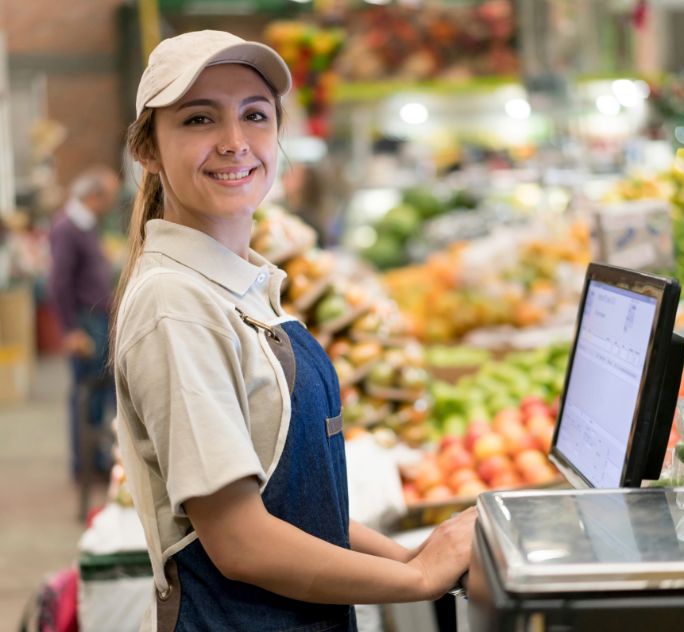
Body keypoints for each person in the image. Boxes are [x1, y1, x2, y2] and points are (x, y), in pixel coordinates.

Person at [112, 30, 475, 632]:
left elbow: (292, 511)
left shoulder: (240, 285)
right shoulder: (176, 304)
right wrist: (416, 580)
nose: (235, 143)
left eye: (255, 116)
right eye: (199, 119)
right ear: (148, 149)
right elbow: (242, 542)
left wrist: (413, 554)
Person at [49, 165, 121, 479]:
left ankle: (96, 459)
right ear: (94, 197)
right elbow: (59, 282)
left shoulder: (84, 225)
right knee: (87, 393)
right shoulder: (68, 228)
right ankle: (87, 465)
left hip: (95, 317)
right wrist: (70, 329)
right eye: (108, 199)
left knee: (98, 392)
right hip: (85, 320)